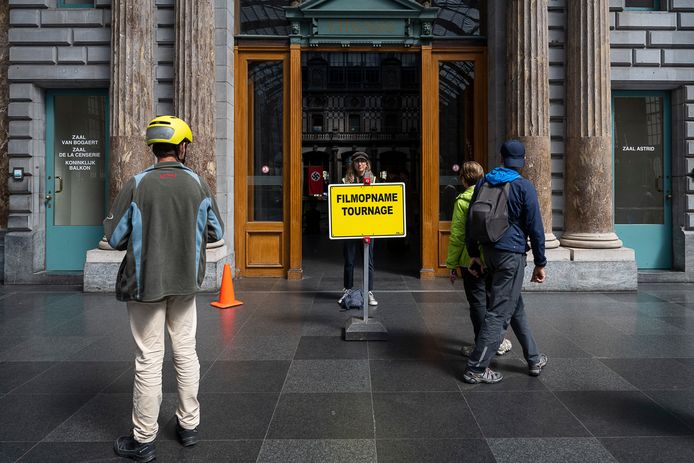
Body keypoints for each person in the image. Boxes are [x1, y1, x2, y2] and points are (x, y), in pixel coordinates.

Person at [105, 115, 224, 462]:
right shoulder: (198, 185)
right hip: (185, 283)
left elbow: (114, 238)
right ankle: (188, 426)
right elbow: (216, 231)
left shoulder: (138, 183)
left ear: (154, 149)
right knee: (186, 352)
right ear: (183, 147)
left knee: (149, 357)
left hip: (145, 285)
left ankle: (143, 439)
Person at [462, 140, 547, 384]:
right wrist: (540, 263)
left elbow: (471, 221)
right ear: (521, 161)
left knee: (514, 305)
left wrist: (474, 254)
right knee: (498, 313)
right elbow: (536, 229)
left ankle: (533, 358)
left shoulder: (483, 182)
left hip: (489, 253)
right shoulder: (524, 186)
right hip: (511, 255)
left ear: (501, 158)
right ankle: (476, 368)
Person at [446, 161, 513, 357]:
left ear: (463, 179)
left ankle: (480, 345)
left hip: (471, 259)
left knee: (477, 303)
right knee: (494, 301)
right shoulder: (496, 196)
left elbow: (458, 235)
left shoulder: (462, 201)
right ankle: (497, 342)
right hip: (494, 257)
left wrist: (451, 264)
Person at [338, 151, 378, 307]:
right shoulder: (345, 180)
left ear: (367, 164)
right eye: (357, 161)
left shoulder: (374, 180)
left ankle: (368, 291)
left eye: (363, 161)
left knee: (368, 261)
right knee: (349, 260)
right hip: (350, 226)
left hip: (368, 226)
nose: (360, 164)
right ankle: (348, 289)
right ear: (353, 164)